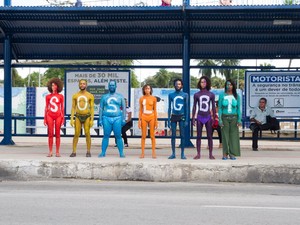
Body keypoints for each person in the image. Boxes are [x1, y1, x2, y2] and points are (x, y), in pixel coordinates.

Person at [98, 80, 126, 158]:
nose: (112, 87)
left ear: (116, 86)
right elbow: (100, 108)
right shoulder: (104, 97)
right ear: (108, 86)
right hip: (106, 117)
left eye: (113, 85)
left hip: (117, 118)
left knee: (118, 135)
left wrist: (124, 119)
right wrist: (100, 119)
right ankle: (103, 152)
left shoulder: (120, 96)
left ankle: (121, 152)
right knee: (106, 135)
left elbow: (124, 108)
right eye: (110, 85)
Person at [192, 76, 216, 160]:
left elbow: (213, 107)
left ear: (207, 83)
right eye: (201, 82)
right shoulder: (196, 94)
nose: (203, 84)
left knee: (210, 136)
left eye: (204, 82)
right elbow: (194, 106)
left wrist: (214, 118)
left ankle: (210, 154)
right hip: (199, 116)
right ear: (199, 83)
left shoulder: (211, 94)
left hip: (208, 117)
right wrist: (193, 118)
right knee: (198, 136)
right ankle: (198, 154)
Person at [69, 79, 95, 157]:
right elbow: (73, 107)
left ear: (86, 85)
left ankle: (88, 151)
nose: (82, 85)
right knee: (76, 133)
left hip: (87, 116)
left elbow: (92, 108)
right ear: (79, 85)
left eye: (84, 84)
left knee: (87, 133)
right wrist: (71, 118)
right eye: (81, 84)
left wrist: (92, 119)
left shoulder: (90, 95)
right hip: (78, 116)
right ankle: (74, 151)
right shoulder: (75, 95)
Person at [218, 79, 241, 160]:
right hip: (224, 118)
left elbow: (238, 109)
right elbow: (220, 108)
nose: (229, 86)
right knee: (224, 136)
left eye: (231, 85)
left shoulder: (237, 96)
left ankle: (232, 153)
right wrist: (220, 120)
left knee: (233, 137)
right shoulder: (222, 95)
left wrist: (239, 119)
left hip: (234, 118)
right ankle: (225, 154)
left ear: (233, 86)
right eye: (227, 84)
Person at [167, 79, 188, 159]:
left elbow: (186, 108)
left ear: (181, 85)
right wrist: (168, 119)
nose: (177, 85)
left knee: (182, 135)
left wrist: (186, 119)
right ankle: (173, 153)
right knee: (173, 135)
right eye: (176, 84)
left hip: (182, 116)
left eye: (179, 84)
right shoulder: (171, 95)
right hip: (174, 116)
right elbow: (169, 108)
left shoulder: (185, 95)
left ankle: (182, 153)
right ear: (174, 85)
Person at [44, 78, 64, 157]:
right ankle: (50, 151)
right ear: (50, 86)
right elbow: (46, 107)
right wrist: (45, 118)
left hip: (58, 115)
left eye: (55, 85)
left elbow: (62, 108)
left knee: (58, 134)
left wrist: (63, 118)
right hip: (50, 115)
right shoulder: (48, 96)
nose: (54, 87)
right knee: (50, 134)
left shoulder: (61, 96)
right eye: (52, 85)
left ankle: (58, 151)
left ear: (58, 86)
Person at [138, 84, 158, 159]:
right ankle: (142, 153)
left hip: (152, 117)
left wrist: (156, 121)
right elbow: (140, 110)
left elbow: (155, 110)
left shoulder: (153, 98)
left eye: (148, 88)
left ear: (150, 90)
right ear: (144, 90)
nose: (147, 90)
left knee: (152, 136)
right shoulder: (141, 98)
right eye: (146, 89)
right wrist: (139, 120)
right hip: (144, 117)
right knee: (143, 136)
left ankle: (153, 152)